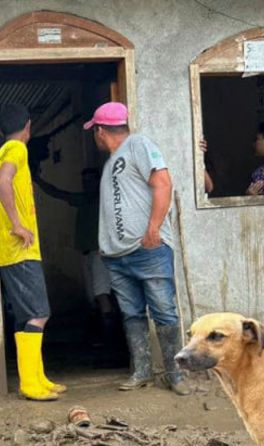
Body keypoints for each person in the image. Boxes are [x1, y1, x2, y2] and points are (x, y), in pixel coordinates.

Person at [86, 101, 190, 395]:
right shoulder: (112, 161)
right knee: (131, 314)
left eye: (94, 131)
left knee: (164, 312)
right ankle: (142, 371)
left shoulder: (139, 145)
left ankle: (175, 374)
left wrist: (154, 228)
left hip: (147, 249)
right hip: (117, 256)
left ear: (101, 131)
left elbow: (163, 183)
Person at [0, 101, 64, 401]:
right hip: (19, 249)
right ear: (28, 126)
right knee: (38, 314)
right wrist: (18, 224)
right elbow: (2, 180)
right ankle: (30, 384)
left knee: (28, 317)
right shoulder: (16, 149)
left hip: (15, 251)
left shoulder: (6, 150)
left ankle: (37, 377)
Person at [31, 167, 121, 361]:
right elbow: (59, 194)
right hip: (87, 253)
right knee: (94, 298)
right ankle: (105, 343)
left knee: (102, 295)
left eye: (90, 180)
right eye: (85, 181)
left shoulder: (103, 201)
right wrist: (38, 180)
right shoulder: (83, 200)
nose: (87, 184)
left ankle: (111, 346)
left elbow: (59, 194)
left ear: (98, 182)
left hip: (100, 253)